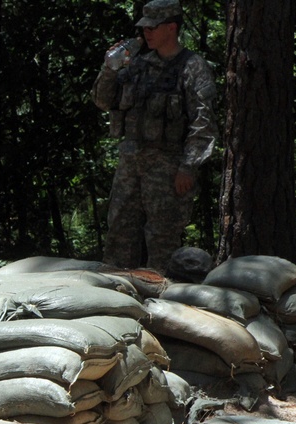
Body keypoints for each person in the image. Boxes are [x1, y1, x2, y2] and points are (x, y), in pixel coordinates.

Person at [91, 0, 218, 273]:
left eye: (152, 27)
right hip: (131, 162)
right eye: (144, 27)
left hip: (167, 166)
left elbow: (203, 122)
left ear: (171, 27)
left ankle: (162, 295)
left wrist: (188, 166)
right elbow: (103, 101)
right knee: (119, 232)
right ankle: (116, 291)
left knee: (162, 239)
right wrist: (109, 68)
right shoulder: (138, 65)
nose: (146, 32)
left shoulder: (193, 67)